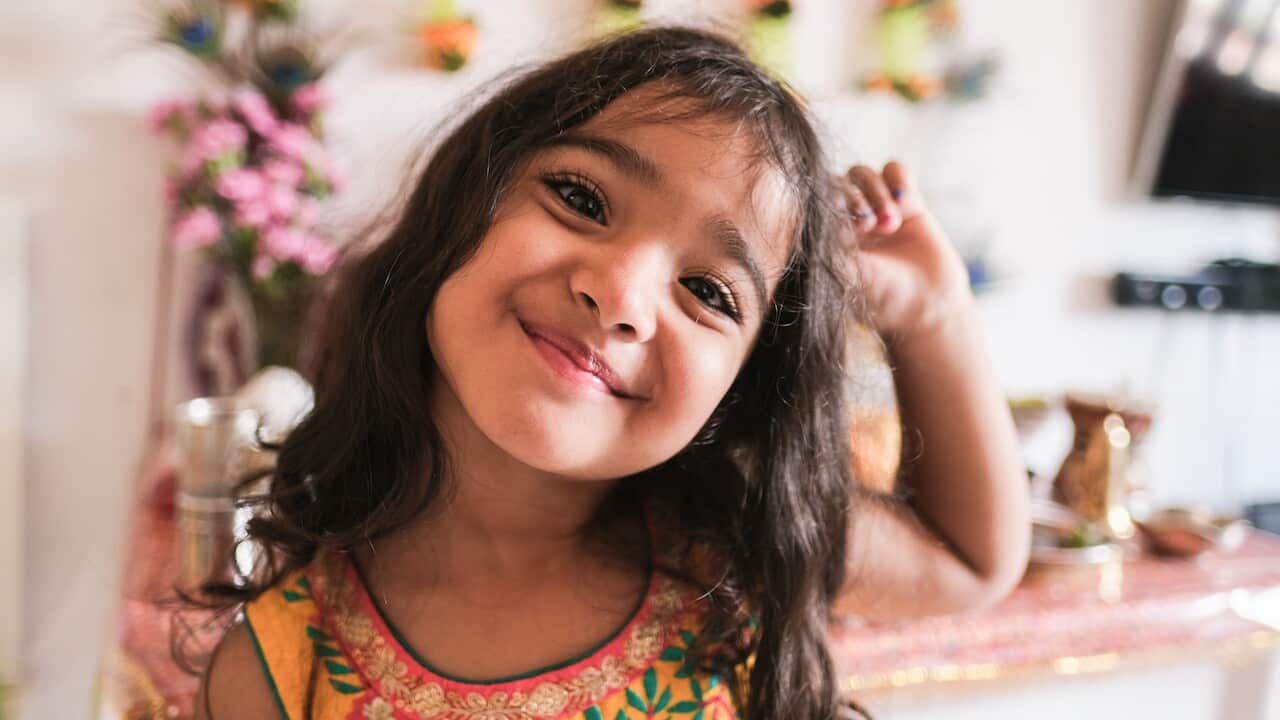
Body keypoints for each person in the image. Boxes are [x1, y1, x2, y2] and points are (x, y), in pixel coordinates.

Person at [191, 23, 1030, 720]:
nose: (621, 294)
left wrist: (932, 316)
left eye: (708, 292)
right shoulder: (281, 667)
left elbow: (970, 563)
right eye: (582, 199)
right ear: (460, 207)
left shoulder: (732, 547)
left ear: (739, 388)